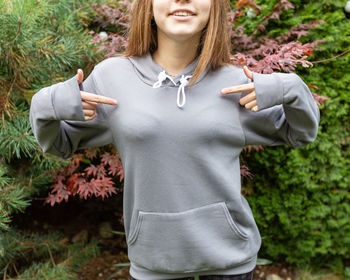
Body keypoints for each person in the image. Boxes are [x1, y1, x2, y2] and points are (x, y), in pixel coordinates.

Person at [29, 0, 320, 279]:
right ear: (149, 5)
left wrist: (291, 88)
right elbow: (59, 143)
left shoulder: (236, 84)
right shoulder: (112, 78)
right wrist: (46, 104)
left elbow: (300, 132)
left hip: (229, 261)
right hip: (152, 260)